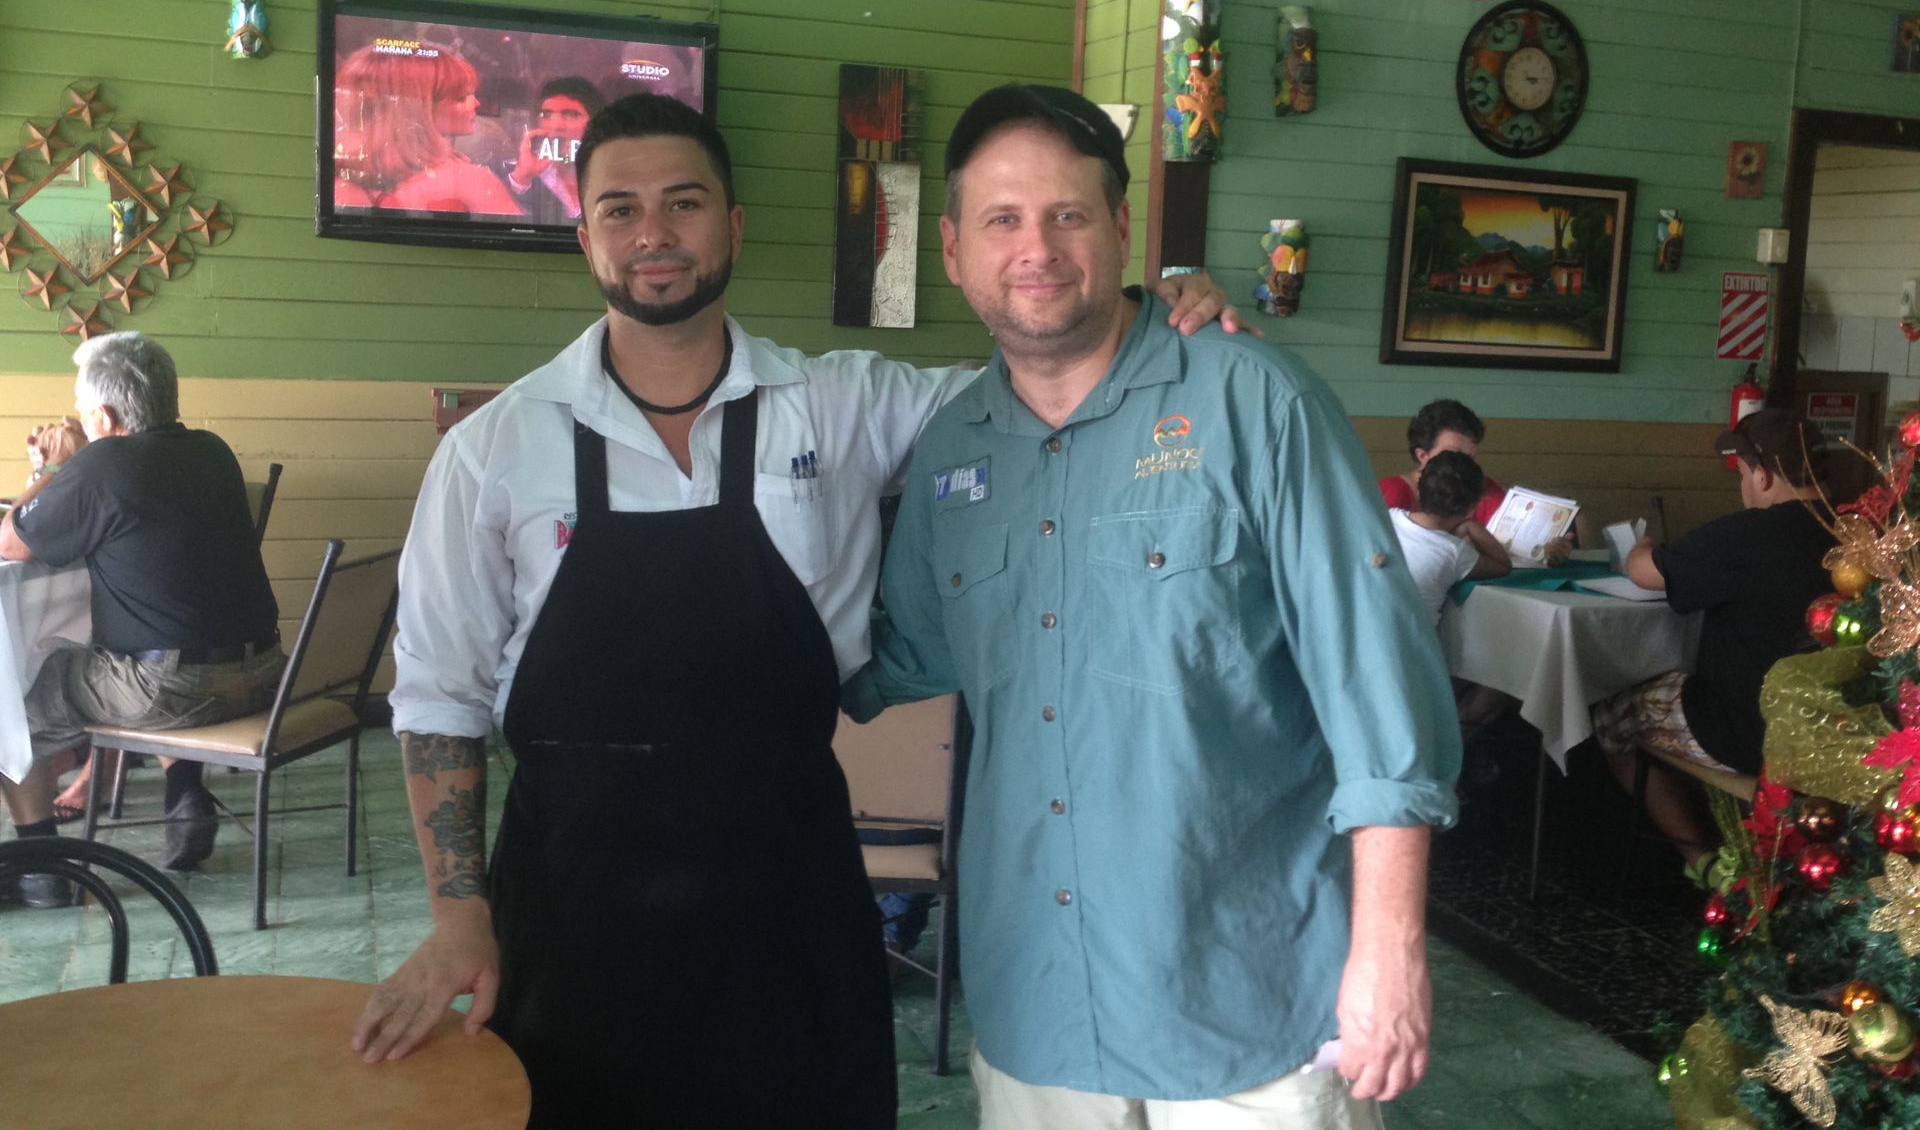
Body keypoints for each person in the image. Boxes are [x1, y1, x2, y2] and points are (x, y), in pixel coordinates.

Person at [347, 92, 1245, 1125]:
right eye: (620, 209)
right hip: (570, 913)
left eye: (685, 203)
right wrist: (459, 919)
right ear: (584, 237)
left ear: (732, 225)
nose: (654, 233)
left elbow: (1044, 377)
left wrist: (1148, 306)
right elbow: (441, 701)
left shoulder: (840, 403)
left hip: (790, 906)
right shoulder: (495, 450)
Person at [853, 83, 1461, 1127]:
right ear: (952, 249)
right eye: (1001, 219)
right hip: (1037, 1001)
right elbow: (900, 653)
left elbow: (1381, 691)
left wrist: (1391, 948)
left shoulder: (1253, 399)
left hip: (1250, 1000)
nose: (1036, 248)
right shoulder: (954, 449)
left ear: (1121, 228)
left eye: (1068, 213)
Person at [0, 332, 282, 897]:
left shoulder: (101, 464)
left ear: (103, 415)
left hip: (171, 691)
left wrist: (54, 468)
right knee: (131, 642)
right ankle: (182, 792)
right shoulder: (213, 450)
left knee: (12, 700)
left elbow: (10, 542)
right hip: (266, 677)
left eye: (83, 409)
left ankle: (41, 868)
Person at [1594, 408, 1833, 867]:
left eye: (1742, 475)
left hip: (1744, 731)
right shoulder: (1858, 531)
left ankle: (1703, 863)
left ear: (1763, 477)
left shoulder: (1748, 534)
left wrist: (1643, 546)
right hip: (1832, 730)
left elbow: (1644, 572)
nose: (1743, 487)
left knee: (1609, 712)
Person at [333, 42, 520, 216]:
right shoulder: (471, 180)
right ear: (417, 110)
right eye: (461, 97)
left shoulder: (337, 185)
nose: (476, 103)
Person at [1378, 398, 1572, 566]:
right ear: (1422, 455)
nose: (1464, 464)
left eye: (1470, 457)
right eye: (1453, 454)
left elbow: (1514, 542)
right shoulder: (1391, 493)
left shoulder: (1481, 487)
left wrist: (1546, 550)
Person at [1389, 450, 1511, 623]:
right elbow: (1502, 565)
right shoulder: (1455, 552)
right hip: (1415, 639)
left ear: (1419, 490)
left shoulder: (1388, 518)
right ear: (1472, 507)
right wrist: (1471, 526)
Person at [503, 76, 604, 224]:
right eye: (546, 115)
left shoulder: (612, 173)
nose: (556, 126)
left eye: (571, 115)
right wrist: (522, 177)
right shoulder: (509, 171)